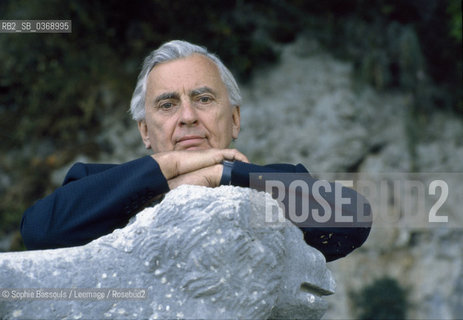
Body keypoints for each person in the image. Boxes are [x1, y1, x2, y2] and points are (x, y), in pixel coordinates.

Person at [21, 40, 371, 262]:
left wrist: (219, 175)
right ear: (145, 131)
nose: (188, 116)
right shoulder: (96, 185)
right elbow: (39, 233)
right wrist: (169, 169)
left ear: (234, 120)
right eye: (168, 105)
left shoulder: (276, 183)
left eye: (203, 99)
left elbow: (352, 217)